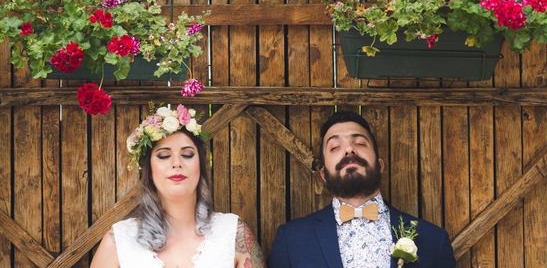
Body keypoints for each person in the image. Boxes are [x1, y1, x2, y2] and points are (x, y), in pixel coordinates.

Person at [269, 111, 456, 268]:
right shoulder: (291, 240)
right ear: (323, 174)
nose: (349, 149)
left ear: (380, 165)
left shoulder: (433, 239)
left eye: (359, 143)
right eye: (335, 147)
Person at [91, 104, 265, 268]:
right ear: (149, 169)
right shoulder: (119, 240)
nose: (176, 163)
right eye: (164, 156)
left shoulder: (233, 232)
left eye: (187, 154)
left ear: (200, 165)